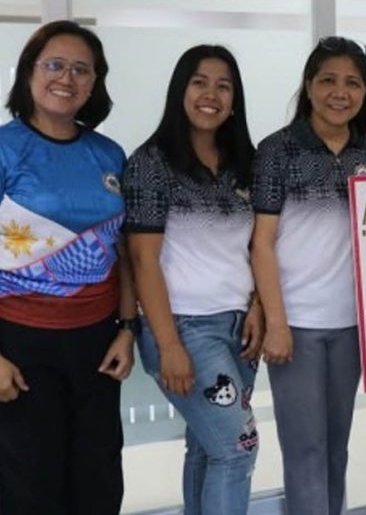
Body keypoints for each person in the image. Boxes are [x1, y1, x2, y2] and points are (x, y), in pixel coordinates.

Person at [0, 20, 136, 513]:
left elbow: (124, 251)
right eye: (54, 65)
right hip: (19, 345)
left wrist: (128, 328)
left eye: (82, 69)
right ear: (29, 73)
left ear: (95, 83)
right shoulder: (5, 148)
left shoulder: (109, 154)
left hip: (97, 343)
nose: (67, 78)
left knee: (98, 481)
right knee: (29, 487)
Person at [124, 45, 264, 515]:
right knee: (238, 448)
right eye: (200, 82)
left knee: (209, 448)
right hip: (185, 328)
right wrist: (169, 345)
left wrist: (258, 306)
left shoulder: (245, 163)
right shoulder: (152, 163)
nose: (211, 95)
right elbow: (143, 261)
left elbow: (256, 248)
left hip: (239, 328)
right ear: (180, 90)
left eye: (224, 86)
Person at [251, 36, 366, 515]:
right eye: (328, 80)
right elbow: (261, 243)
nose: (340, 93)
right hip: (297, 325)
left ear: (364, 91)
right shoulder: (278, 150)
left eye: (352, 83)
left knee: (336, 447)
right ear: (308, 86)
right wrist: (276, 322)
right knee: (305, 450)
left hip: (350, 325)